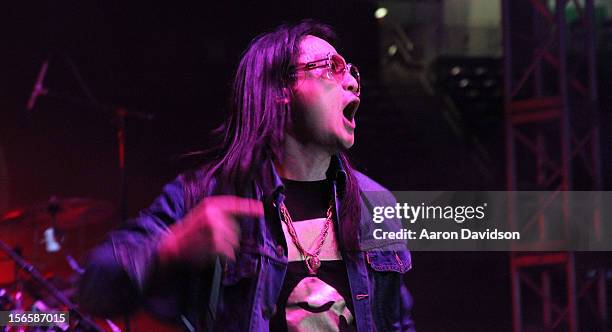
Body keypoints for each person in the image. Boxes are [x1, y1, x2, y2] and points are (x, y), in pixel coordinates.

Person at [79, 20, 415, 331]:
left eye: (352, 71)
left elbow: (397, 322)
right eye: (332, 67)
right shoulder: (208, 195)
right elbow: (94, 288)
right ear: (281, 87)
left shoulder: (376, 204)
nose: (354, 82)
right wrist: (172, 247)